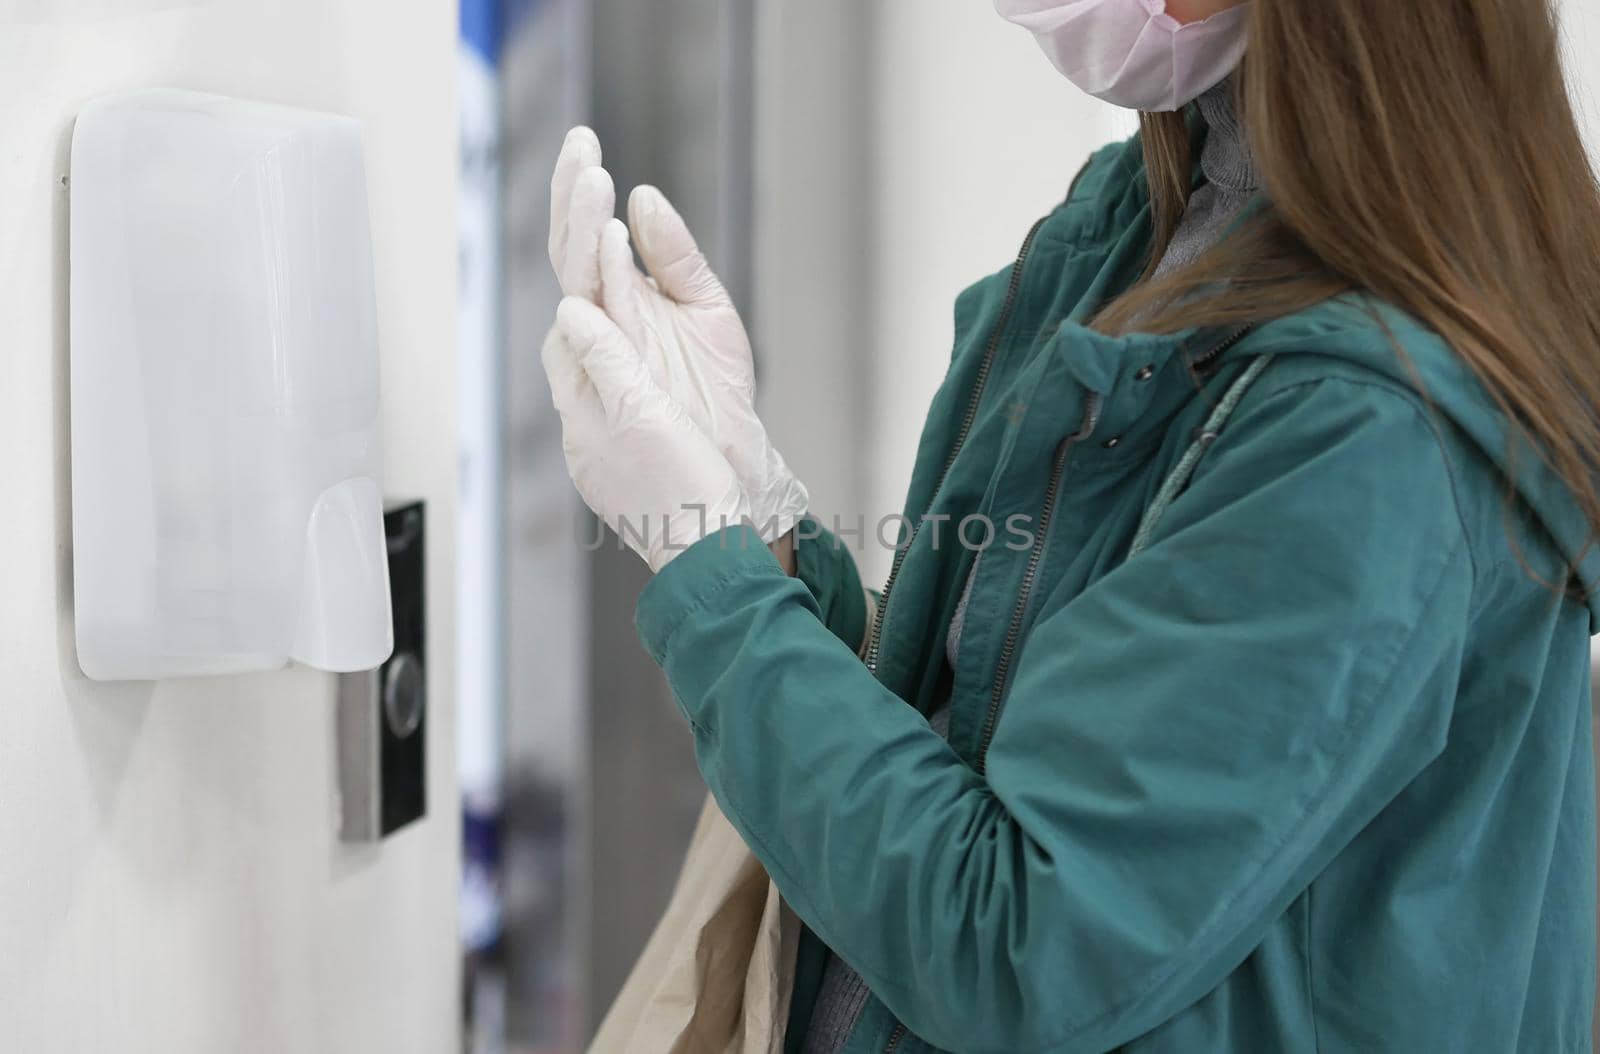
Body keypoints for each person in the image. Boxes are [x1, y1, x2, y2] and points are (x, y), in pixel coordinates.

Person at [542, 0, 1600, 1049]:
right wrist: (758, 524)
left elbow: (1023, 945)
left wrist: (715, 585)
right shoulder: (1144, 221)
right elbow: (982, 729)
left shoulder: (1370, 432)